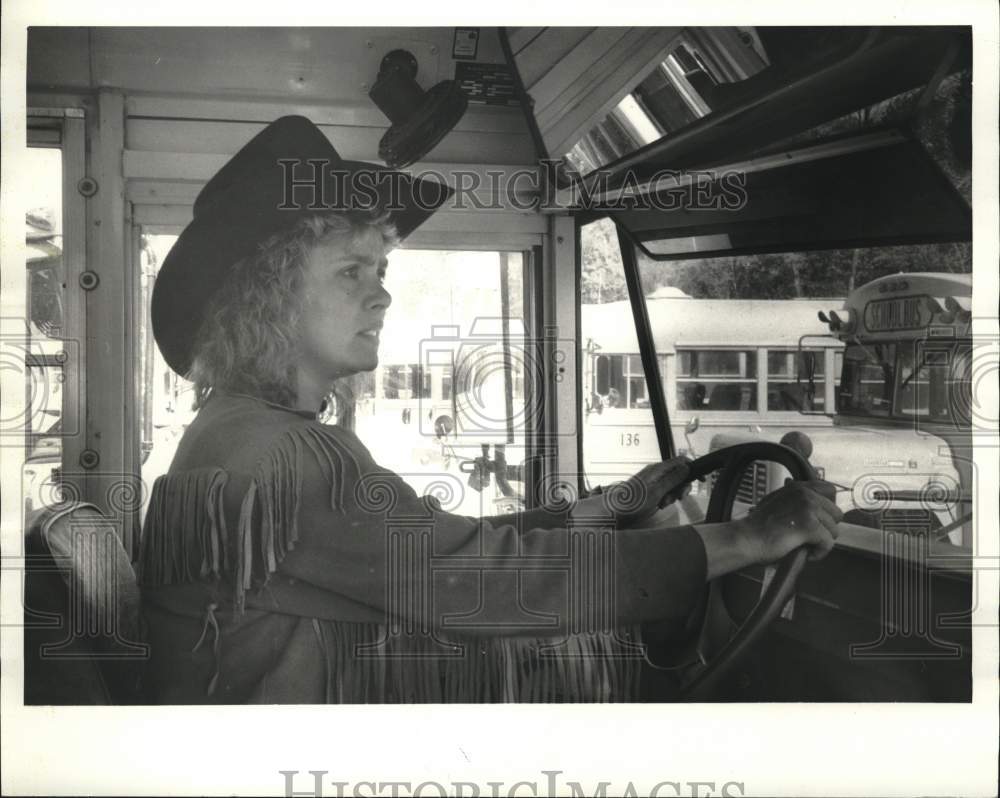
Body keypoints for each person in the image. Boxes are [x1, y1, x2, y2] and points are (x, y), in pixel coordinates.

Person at [139, 116, 842, 704]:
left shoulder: (240, 433)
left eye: (380, 271)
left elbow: (435, 548)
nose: (381, 296)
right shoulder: (281, 456)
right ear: (270, 295)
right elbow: (484, 580)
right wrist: (747, 541)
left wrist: (599, 510)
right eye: (351, 271)